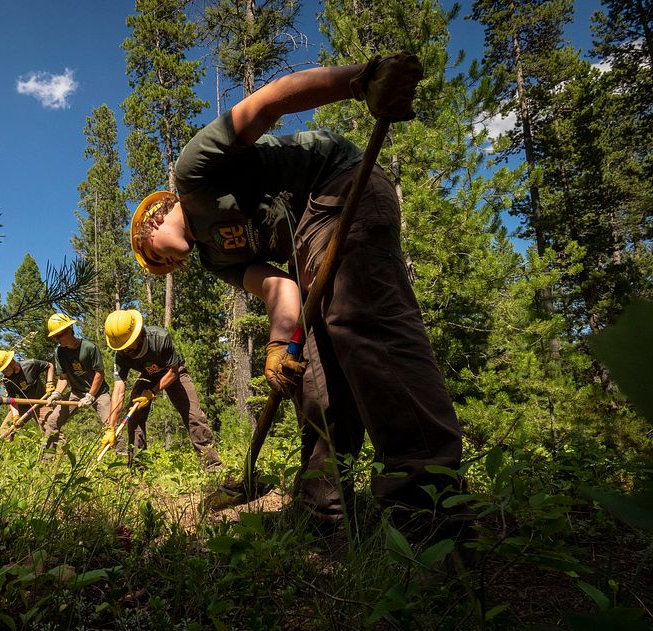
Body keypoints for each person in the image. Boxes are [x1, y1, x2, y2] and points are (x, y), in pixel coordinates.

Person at [129, 54, 464, 537]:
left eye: (155, 257)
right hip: (309, 240)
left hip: (338, 185)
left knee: (361, 321)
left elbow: (271, 101)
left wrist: (360, 81)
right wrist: (277, 345)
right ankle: (325, 510)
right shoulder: (214, 259)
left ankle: (430, 507)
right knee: (313, 373)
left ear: (153, 221)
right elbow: (279, 287)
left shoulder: (192, 174)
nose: (167, 268)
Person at [103, 309, 223, 471]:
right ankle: (138, 469)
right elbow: (118, 389)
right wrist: (111, 427)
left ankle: (213, 466)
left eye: (127, 346)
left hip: (174, 373)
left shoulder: (160, 338)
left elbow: (173, 372)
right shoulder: (121, 355)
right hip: (147, 376)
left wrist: (152, 392)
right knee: (134, 415)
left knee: (194, 415)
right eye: (121, 347)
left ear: (137, 334)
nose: (124, 350)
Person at [42, 313, 112, 455]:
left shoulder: (89, 347)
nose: (57, 339)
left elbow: (99, 374)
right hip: (76, 392)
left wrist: (91, 395)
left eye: (59, 335)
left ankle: (122, 458)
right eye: (55, 337)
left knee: (111, 425)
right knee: (52, 421)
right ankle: (46, 461)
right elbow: (63, 377)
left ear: (69, 330)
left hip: (98, 392)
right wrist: (57, 393)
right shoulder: (59, 352)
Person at [0, 349, 56, 437]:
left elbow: (49, 365)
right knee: (5, 430)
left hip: (41, 401)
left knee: (51, 428)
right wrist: (16, 415)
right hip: (24, 404)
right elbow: (11, 399)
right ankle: (7, 449)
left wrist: (49, 383)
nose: (4, 372)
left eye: (5, 369)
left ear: (12, 362)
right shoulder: (7, 380)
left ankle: (60, 450)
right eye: (2, 371)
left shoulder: (30, 364)